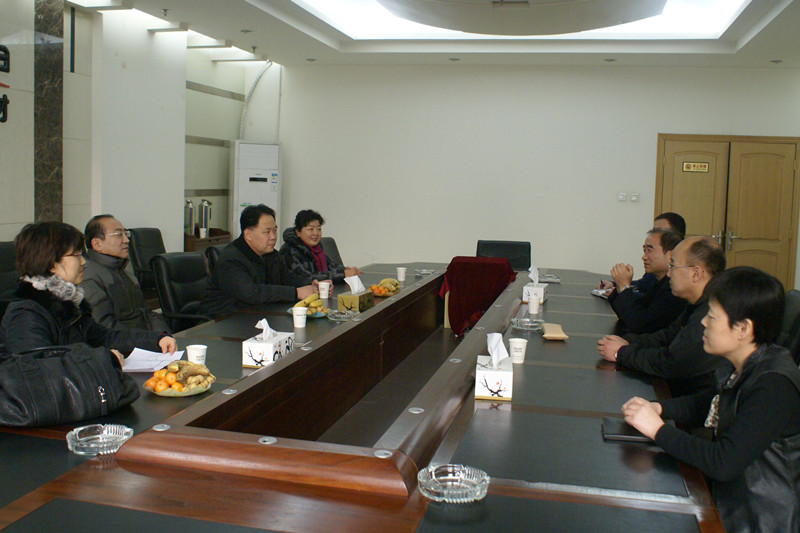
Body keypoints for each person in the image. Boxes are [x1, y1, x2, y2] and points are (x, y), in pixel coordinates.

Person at [622, 267, 800, 533]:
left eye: (712, 316)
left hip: (760, 521)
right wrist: (657, 408)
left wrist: (657, 430)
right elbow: (708, 402)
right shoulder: (745, 362)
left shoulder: (773, 385)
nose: (703, 322)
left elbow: (723, 462)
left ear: (743, 328)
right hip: (731, 503)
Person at [0, 222, 176, 356]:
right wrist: (104, 359)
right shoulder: (25, 313)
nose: (83, 262)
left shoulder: (69, 301)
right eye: (76, 255)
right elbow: (40, 368)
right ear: (52, 264)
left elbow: (105, 337)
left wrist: (156, 339)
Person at [597, 236, 729, 397]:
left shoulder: (711, 314)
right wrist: (627, 341)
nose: (669, 274)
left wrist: (622, 353)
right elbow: (666, 336)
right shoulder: (696, 304)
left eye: (672, 266)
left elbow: (671, 363)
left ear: (696, 273)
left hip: (691, 399)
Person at [201, 204, 317, 318]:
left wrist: (310, 283)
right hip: (223, 321)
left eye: (275, 230)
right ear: (248, 234)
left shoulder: (271, 254)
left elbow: (287, 277)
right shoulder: (231, 260)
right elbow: (252, 293)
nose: (273, 237)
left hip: (256, 316)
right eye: (267, 232)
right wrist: (296, 293)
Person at [80, 214, 171, 334]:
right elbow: (104, 326)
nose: (126, 240)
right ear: (97, 244)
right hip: (126, 342)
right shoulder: (88, 276)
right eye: (118, 234)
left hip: (145, 338)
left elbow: (146, 312)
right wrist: (149, 339)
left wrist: (163, 334)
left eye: (126, 234)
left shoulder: (123, 269)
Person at [607, 228, 685, 334]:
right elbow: (631, 312)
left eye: (650, 251)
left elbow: (640, 325)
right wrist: (619, 286)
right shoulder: (658, 283)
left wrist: (624, 286)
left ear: (670, 256)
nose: (644, 257)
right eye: (644, 251)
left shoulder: (674, 289)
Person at [596, 212, 686, 295]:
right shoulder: (656, 274)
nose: (644, 257)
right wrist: (616, 284)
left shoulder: (677, 283)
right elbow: (641, 287)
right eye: (654, 230)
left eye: (659, 231)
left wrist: (624, 288)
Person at [280, 209, 362, 285]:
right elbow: (307, 277)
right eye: (311, 229)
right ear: (298, 232)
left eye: (319, 229)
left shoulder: (316, 249)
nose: (316, 233)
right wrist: (343, 274)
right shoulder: (289, 251)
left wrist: (347, 270)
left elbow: (331, 265)